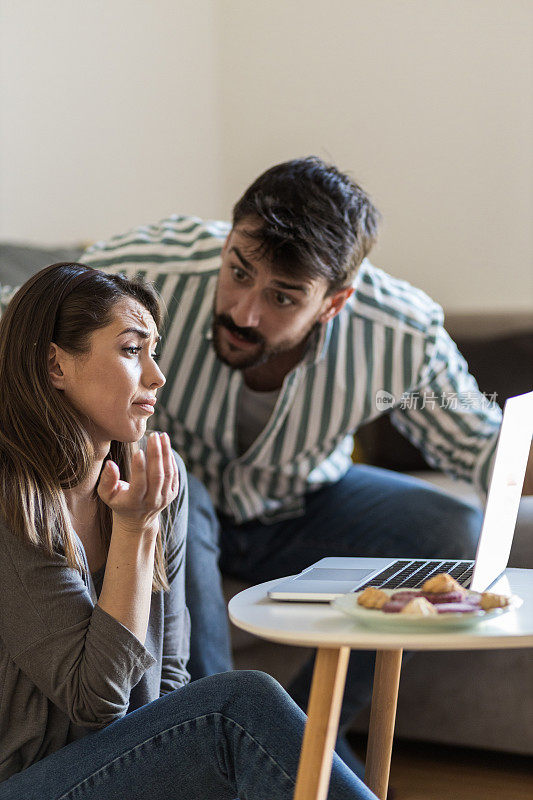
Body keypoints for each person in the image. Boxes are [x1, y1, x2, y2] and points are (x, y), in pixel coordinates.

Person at [80, 156, 533, 774]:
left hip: (306, 504)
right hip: (178, 502)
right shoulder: (142, 271)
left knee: (450, 527)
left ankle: (301, 739)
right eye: (238, 272)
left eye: (282, 297)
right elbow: (19, 319)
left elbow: (484, 447)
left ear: (334, 301)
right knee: (178, 486)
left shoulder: (400, 332)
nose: (244, 312)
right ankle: (216, 754)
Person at [0, 262, 375, 799]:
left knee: (228, 719)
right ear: (54, 364)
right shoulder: (14, 500)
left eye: (156, 352)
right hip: (27, 784)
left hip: (114, 769)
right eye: (132, 350)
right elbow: (97, 701)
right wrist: (134, 530)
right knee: (237, 705)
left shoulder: (160, 491)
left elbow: (170, 682)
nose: (157, 376)